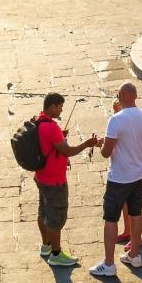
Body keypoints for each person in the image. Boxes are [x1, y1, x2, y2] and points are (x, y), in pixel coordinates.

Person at [92, 83, 142, 279]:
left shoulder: (116, 119)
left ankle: (109, 263)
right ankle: (134, 255)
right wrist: (135, 154)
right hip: (139, 174)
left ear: (121, 95)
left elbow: (105, 153)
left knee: (111, 218)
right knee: (136, 213)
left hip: (119, 177)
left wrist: (103, 145)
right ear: (135, 96)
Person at [34, 93, 97, 269]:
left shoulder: (38, 120)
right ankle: (56, 254)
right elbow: (67, 151)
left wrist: (59, 137)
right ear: (52, 106)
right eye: (60, 107)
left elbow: (48, 144)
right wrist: (87, 143)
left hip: (41, 176)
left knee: (43, 212)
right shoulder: (51, 127)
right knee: (56, 217)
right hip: (54, 181)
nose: (61, 110)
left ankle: (46, 246)